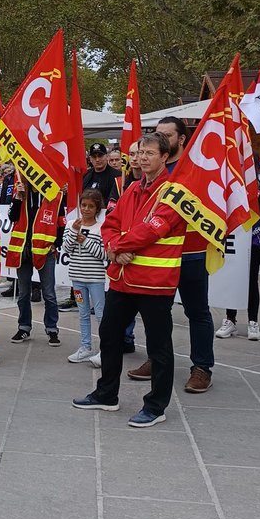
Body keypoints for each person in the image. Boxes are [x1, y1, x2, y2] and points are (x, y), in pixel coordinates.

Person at [72, 132, 186, 427]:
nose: (142, 158)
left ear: (164, 157)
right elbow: (110, 223)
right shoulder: (132, 189)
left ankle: (156, 406)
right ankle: (107, 394)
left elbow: (152, 230)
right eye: (139, 153)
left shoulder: (175, 192)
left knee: (158, 347)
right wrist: (112, 248)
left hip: (155, 282)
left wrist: (117, 247)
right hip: (123, 279)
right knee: (109, 336)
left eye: (149, 153)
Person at [128, 116, 216, 393]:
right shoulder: (150, 169)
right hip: (158, 255)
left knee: (197, 311)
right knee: (157, 313)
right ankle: (157, 359)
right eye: (157, 134)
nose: (161, 138)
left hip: (191, 251)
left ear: (181, 139)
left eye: (167, 134)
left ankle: (201, 367)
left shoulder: (196, 168)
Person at [217, 168, 260, 341]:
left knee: (251, 280)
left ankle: (253, 322)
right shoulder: (228, 179)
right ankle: (230, 320)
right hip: (233, 236)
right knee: (232, 278)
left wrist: (258, 216)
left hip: (254, 237)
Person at [7, 178, 60, 346]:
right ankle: (24, 327)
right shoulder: (21, 193)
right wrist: (18, 197)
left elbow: (60, 222)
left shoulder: (54, 195)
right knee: (23, 293)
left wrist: (55, 244)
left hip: (45, 250)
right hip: (23, 250)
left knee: (49, 293)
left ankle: (52, 329)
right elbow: (12, 216)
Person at [62, 189, 107, 364]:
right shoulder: (71, 224)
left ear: (97, 209)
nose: (86, 209)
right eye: (83, 205)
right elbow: (66, 248)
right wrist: (74, 232)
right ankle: (85, 347)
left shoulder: (101, 227)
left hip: (95, 278)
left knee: (101, 315)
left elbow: (103, 254)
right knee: (83, 314)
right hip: (77, 277)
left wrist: (86, 241)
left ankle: (105, 350)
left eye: (90, 206)